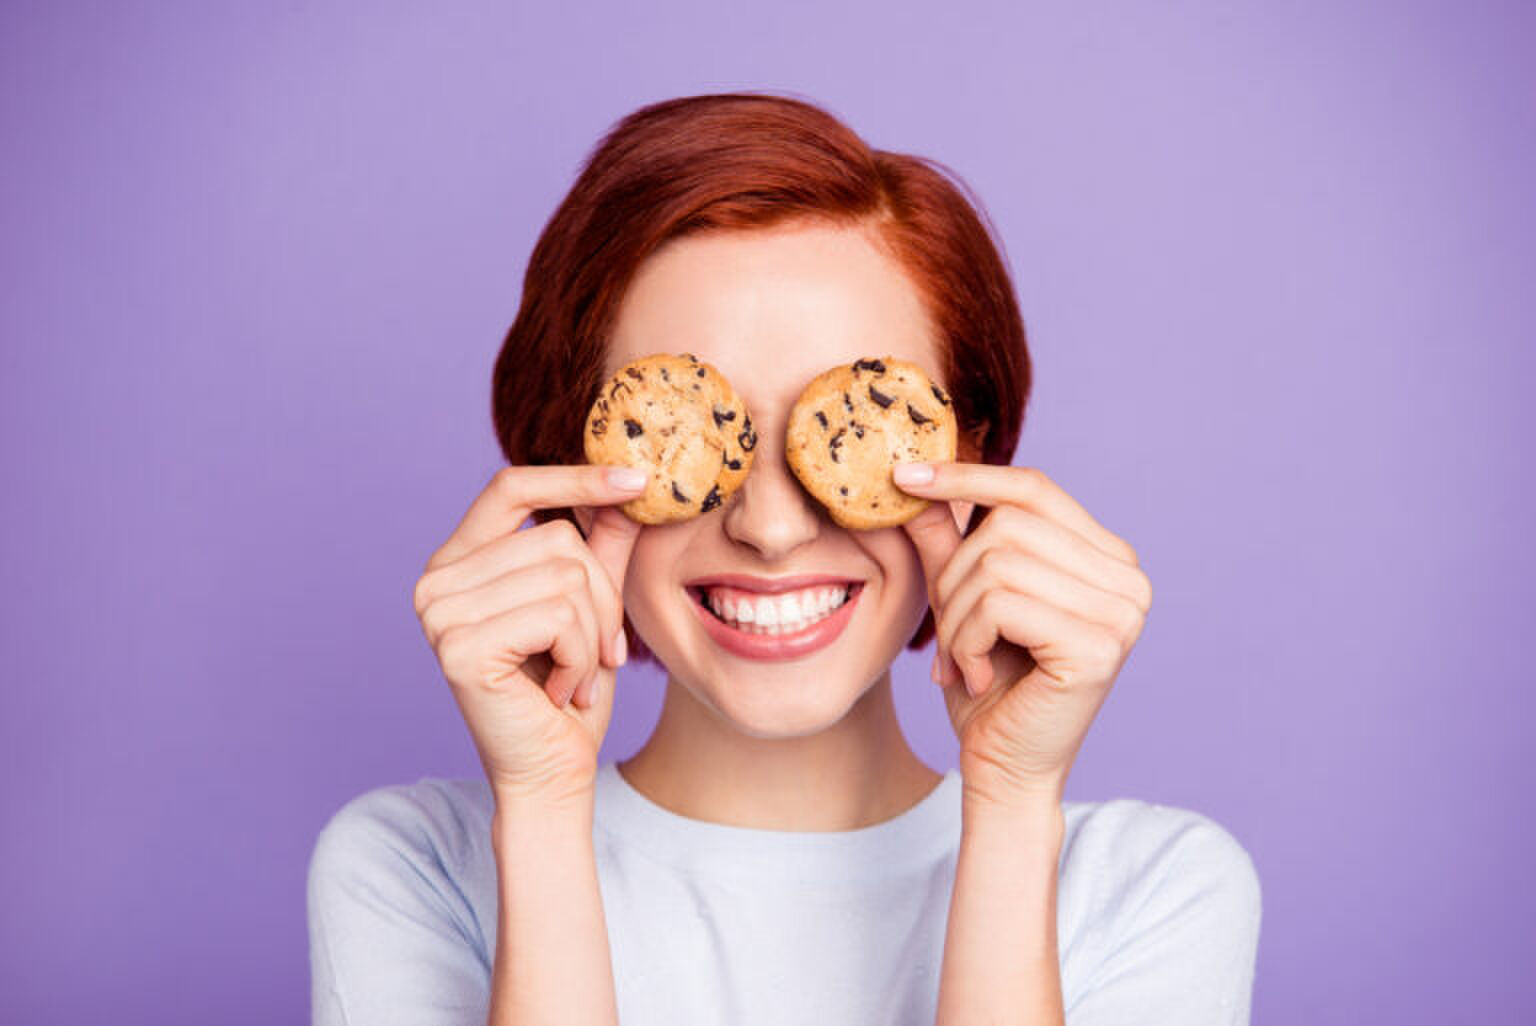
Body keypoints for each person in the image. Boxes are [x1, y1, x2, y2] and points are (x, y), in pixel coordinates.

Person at [306, 92, 1261, 1026]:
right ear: (575, 464)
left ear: (968, 454)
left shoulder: (1149, 892)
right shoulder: (417, 868)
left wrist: (1011, 806)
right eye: (690, 437)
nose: (772, 527)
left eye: (854, 437)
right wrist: (544, 814)